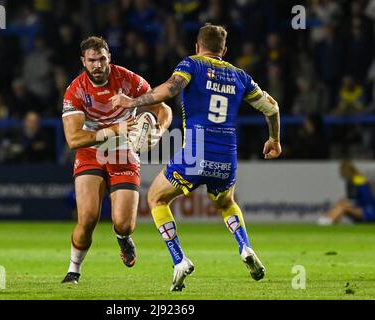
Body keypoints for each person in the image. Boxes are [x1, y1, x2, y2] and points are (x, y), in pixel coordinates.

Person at [111, 24, 281, 291]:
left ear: (197, 46)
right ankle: (245, 246)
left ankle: (179, 259)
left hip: (196, 151)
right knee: (226, 204)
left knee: (156, 198)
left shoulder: (192, 65)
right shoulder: (240, 76)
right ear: (224, 50)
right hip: (227, 154)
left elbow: (169, 89)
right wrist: (274, 139)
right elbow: (272, 107)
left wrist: (130, 102)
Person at [61, 36, 172, 284]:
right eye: (92, 61)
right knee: (88, 218)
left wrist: (159, 131)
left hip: (123, 151)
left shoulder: (128, 80)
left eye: (102, 59)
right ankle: (73, 269)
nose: (98, 65)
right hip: (91, 151)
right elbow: (73, 139)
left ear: (109, 57)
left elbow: (163, 109)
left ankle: (123, 239)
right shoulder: (75, 90)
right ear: (83, 62)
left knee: (124, 224)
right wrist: (112, 130)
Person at [318, 160, 375, 225]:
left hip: (369, 211)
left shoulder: (359, 180)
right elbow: (351, 198)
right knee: (341, 204)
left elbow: (367, 200)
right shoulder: (349, 181)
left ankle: (328, 220)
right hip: (361, 208)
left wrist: (351, 205)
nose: (340, 173)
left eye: (341, 170)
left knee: (343, 207)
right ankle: (327, 218)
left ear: (346, 170)